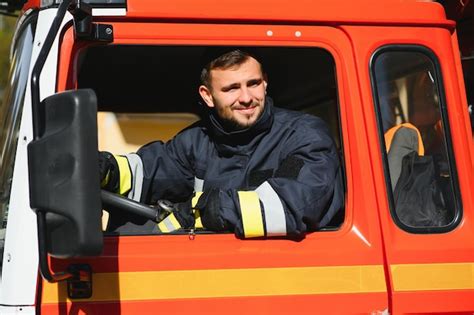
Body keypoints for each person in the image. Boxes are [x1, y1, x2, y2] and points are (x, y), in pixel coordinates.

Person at [100, 48, 343, 239]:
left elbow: (294, 205)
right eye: (232, 88)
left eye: (253, 83)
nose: (247, 98)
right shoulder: (197, 141)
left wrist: (207, 210)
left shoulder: (303, 134)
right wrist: (105, 170)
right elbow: (151, 172)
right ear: (207, 95)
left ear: (265, 82)